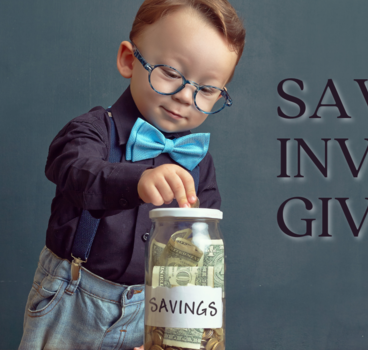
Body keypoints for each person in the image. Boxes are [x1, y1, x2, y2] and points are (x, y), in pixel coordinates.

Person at [18, 0, 245, 349]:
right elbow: (74, 171)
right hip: (74, 300)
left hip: (155, 311)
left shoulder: (199, 163)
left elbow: (201, 258)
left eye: (208, 89)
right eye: (170, 72)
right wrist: (136, 180)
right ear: (128, 60)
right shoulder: (90, 131)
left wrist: (179, 335)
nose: (186, 96)